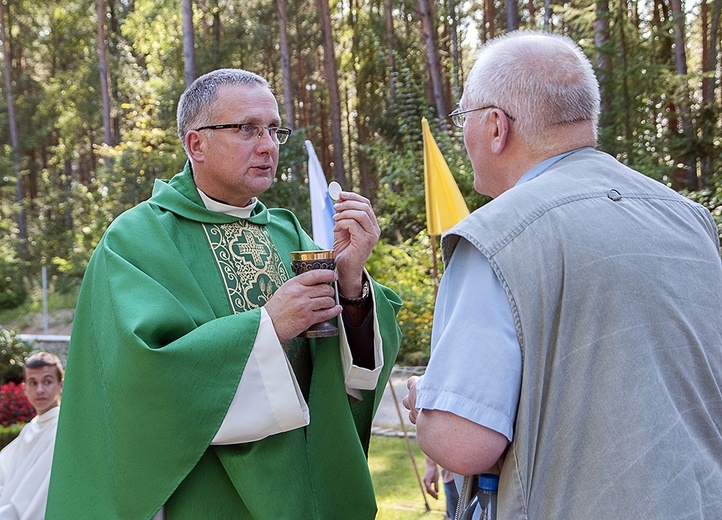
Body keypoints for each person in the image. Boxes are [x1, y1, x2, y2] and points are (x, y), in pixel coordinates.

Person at [46, 69, 402, 519]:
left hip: (304, 485)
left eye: (274, 129)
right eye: (248, 129)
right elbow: (141, 379)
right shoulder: (137, 239)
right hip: (207, 492)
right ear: (196, 144)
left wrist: (351, 285)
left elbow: (348, 371)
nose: (269, 145)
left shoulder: (285, 230)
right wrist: (267, 327)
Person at [403, 30, 722, 519]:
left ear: (494, 127)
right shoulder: (689, 219)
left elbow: (464, 442)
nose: (461, 136)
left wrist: (428, 398)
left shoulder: (495, 237)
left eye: (463, 118)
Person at [0, 352, 64, 519]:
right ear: (25, 388)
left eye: (47, 382)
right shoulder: (29, 429)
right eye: (33, 383)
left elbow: (35, 496)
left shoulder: (61, 429)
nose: (40, 389)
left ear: (60, 385)